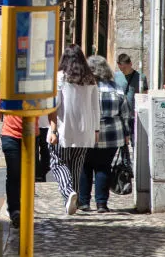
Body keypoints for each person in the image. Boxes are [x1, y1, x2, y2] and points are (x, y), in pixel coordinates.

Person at [47, 44, 100, 216]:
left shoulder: (60, 78)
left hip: (65, 128)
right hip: (85, 131)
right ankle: (72, 201)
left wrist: (52, 130)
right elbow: (95, 107)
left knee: (57, 162)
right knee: (76, 166)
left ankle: (69, 192)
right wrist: (96, 131)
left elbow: (55, 105)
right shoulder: (90, 79)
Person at [78, 55, 132, 213]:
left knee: (85, 167)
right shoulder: (115, 88)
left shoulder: (83, 89)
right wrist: (127, 134)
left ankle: (84, 202)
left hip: (87, 132)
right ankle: (101, 203)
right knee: (103, 167)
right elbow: (125, 113)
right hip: (111, 134)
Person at [0, 97, 39, 230]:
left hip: (30, 134)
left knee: (28, 174)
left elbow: (50, 107)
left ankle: (25, 207)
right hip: (10, 135)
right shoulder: (9, 86)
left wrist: (53, 129)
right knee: (14, 173)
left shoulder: (36, 87)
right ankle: (15, 210)